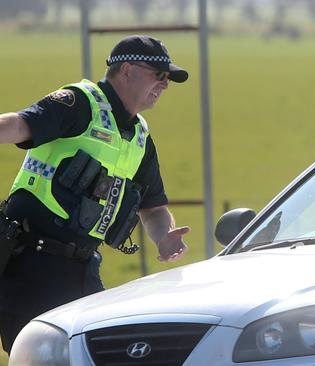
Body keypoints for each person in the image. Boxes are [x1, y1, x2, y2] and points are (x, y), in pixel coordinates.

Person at [0, 35, 190, 353]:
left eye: (168, 79)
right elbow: (19, 125)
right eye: (159, 75)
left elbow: (153, 208)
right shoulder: (78, 102)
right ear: (128, 70)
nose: (165, 85)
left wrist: (164, 236)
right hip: (30, 262)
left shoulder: (140, 137)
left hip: (83, 269)